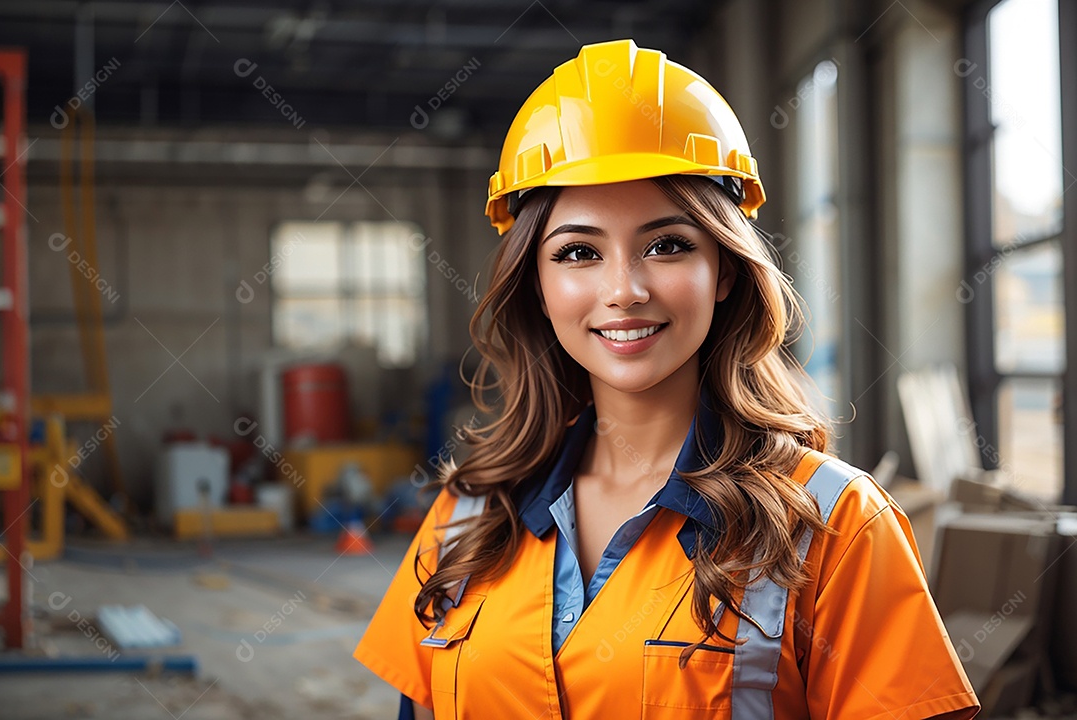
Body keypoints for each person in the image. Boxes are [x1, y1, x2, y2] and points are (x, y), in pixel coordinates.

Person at [354, 38, 980, 720]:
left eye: (668, 245)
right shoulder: (468, 514)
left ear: (727, 270)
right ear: (536, 284)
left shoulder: (834, 525)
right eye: (579, 252)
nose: (623, 290)